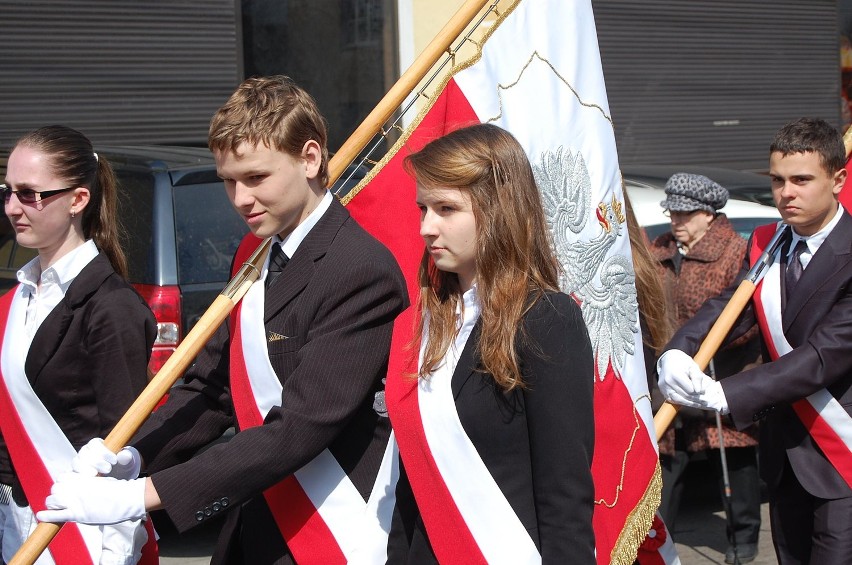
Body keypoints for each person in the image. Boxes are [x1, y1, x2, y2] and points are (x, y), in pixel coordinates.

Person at [37, 76, 410, 564]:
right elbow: (212, 387)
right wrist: (134, 456)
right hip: (258, 523)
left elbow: (299, 428)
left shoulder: (360, 270)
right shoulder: (254, 254)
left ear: (311, 159)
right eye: (229, 181)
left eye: (256, 178)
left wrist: (144, 494)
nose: (239, 199)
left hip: (330, 528)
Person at [385, 123, 596, 563]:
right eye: (423, 207)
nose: (426, 226)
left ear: (497, 208)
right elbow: (412, 486)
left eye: (446, 208)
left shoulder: (547, 318)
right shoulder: (416, 325)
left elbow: (564, 493)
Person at [657, 117, 852, 564]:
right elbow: (729, 307)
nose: (787, 193)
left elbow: (823, 357)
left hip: (843, 456)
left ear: (838, 179)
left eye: (802, 180)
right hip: (786, 456)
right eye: (778, 180)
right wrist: (676, 350)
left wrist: (724, 393)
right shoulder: (769, 243)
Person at [0, 126, 157, 564]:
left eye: (30, 194)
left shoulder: (111, 307)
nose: (13, 207)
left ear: (77, 199)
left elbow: (124, 451)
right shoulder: (17, 299)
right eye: (8, 191)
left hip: (78, 538)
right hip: (13, 525)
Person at [649, 173, 763, 563]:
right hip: (669, 377)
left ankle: (744, 540)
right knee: (667, 463)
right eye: (672, 213)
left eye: (685, 213)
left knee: (732, 460)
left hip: (721, 373)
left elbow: (748, 315)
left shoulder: (734, 251)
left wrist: (709, 350)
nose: (676, 220)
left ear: (709, 214)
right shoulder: (660, 250)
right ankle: (659, 541)